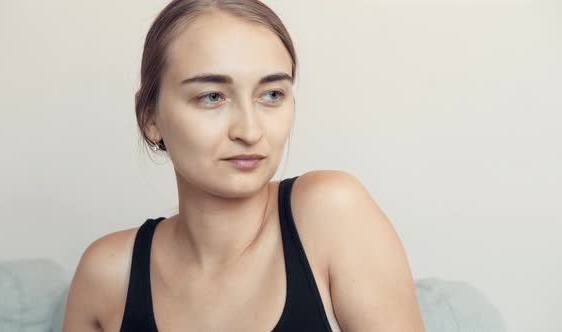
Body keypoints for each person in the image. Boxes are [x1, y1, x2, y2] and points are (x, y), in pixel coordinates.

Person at [62, 0, 426, 331]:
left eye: (272, 95)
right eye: (212, 96)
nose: (250, 131)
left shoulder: (331, 212)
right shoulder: (107, 274)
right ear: (149, 115)